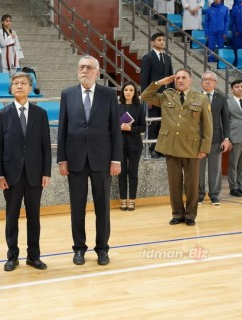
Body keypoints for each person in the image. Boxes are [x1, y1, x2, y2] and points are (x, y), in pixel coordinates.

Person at [57, 55, 122, 266]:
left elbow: (115, 130)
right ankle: (79, 249)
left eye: (88, 67)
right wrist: (62, 159)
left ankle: (102, 249)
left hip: (102, 159)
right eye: (81, 67)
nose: (84, 70)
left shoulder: (109, 94)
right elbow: (63, 128)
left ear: (97, 71)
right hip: (75, 159)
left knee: (102, 207)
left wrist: (116, 159)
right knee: (77, 207)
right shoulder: (67, 94)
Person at [0, 72, 51, 272]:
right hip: (11, 175)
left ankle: (34, 256)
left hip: (35, 174)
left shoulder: (40, 113)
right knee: (12, 217)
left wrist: (46, 172)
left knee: (34, 217)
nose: (19, 86)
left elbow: (45, 145)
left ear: (30, 87)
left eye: (23, 83)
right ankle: (12, 256)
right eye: (15, 83)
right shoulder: (2, 114)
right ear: (11, 88)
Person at [141, 69, 213, 226]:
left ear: (190, 80)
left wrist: (204, 148)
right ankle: (177, 214)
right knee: (174, 183)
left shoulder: (201, 99)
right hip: (171, 146)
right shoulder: (167, 95)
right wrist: (160, 83)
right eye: (178, 78)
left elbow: (208, 127)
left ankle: (190, 215)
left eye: (184, 77)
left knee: (192, 184)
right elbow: (145, 96)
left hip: (192, 147)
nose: (180, 80)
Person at [198, 71, 231, 206]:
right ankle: (199, 195)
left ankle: (214, 195)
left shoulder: (222, 97)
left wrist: (227, 138)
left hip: (216, 139)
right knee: (198, 169)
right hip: (199, 139)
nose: (207, 81)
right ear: (201, 82)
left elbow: (226, 119)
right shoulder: (196, 97)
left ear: (215, 83)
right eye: (205, 79)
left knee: (215, 168)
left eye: (210, 80)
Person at [140, 32, 173, 158]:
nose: (162, 42)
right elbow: (144, 79)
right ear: (152, 42)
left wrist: (173, 94)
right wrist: (147, 97)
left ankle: (161, 147)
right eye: (159, 40)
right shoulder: (148, 57)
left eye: (163, 39)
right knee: (152, 122)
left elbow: (171, 78)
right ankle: (152, 147)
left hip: (166, 96)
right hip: (153, 97)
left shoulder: (167, 58)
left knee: (164, 122)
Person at [118, 81, 146, 212]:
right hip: (120, 144)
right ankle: (123, 199)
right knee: (121, 173)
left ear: (134, 93)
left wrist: (131, 128)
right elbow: (110, 126)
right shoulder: (117, 107)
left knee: (133, 172)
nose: (128, 92)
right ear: (122, 92)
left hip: (135, 145)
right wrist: (119, 127)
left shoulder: (139, 107)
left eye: (130, 90)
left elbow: (142, 127)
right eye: (126, 90)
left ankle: (132, 200)